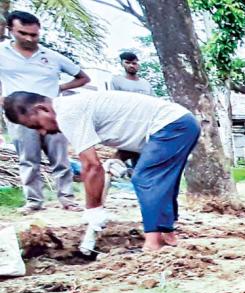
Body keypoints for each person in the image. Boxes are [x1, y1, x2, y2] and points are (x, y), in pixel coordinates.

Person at [3, 91, 200, 252]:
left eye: (37, 125)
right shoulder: (73, 105)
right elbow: (131, 130)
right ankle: (166, 235)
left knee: (146, 178)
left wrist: (93, 209)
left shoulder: (67, 113)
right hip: (179, 122)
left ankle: (153, 243)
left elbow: (91, 166)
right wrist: (118, 158)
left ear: (42, 109)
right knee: (161, 181)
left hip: (172, 125)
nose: (42, 132)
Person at [0, 10, 90, 214]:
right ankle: (33, 201)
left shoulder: (51, 56)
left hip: (52, 115)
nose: (29, 39)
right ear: (11, 30)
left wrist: (59, 88)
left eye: (34, 34)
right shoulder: (2, 53)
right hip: (21, 117)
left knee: (60, 158)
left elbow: (83, 78)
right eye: (23, 33)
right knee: (28, 159)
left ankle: (67, 199)